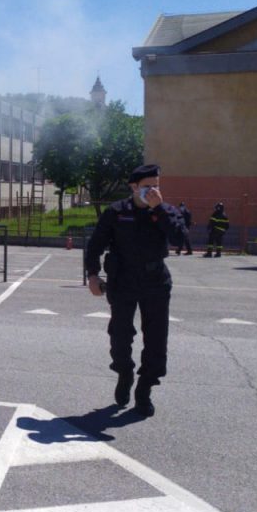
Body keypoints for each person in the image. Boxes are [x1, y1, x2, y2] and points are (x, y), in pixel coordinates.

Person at [85, 163, 186, 417]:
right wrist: (93, 275)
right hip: (123, 280)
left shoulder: (165, 210)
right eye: (147, 186)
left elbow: (179, 238)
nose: (152, 191)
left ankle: (144, 389)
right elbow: (95, 244)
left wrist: (159, 209)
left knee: (156, 339)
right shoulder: (116, 212)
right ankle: (125, 373)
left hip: (155, 282)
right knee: (120, 335)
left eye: (156, 186)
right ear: (133, 187)